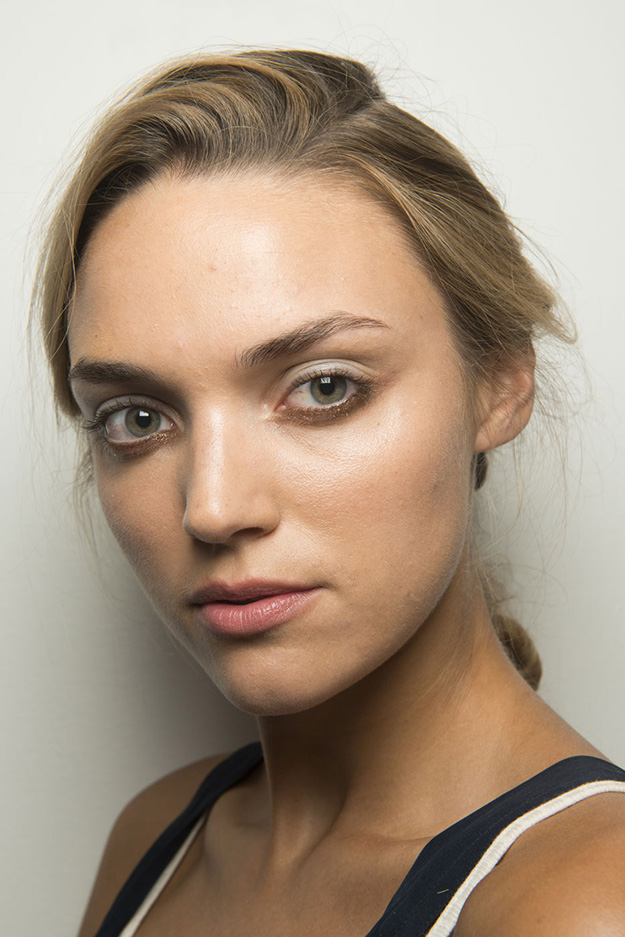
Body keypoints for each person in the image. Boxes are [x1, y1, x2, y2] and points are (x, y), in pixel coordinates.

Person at [35, 49, 625, 936]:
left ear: (497, 385)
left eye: (323, 387)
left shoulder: (584, 904)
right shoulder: (157, 838)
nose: (213, 507)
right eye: (137, 417)